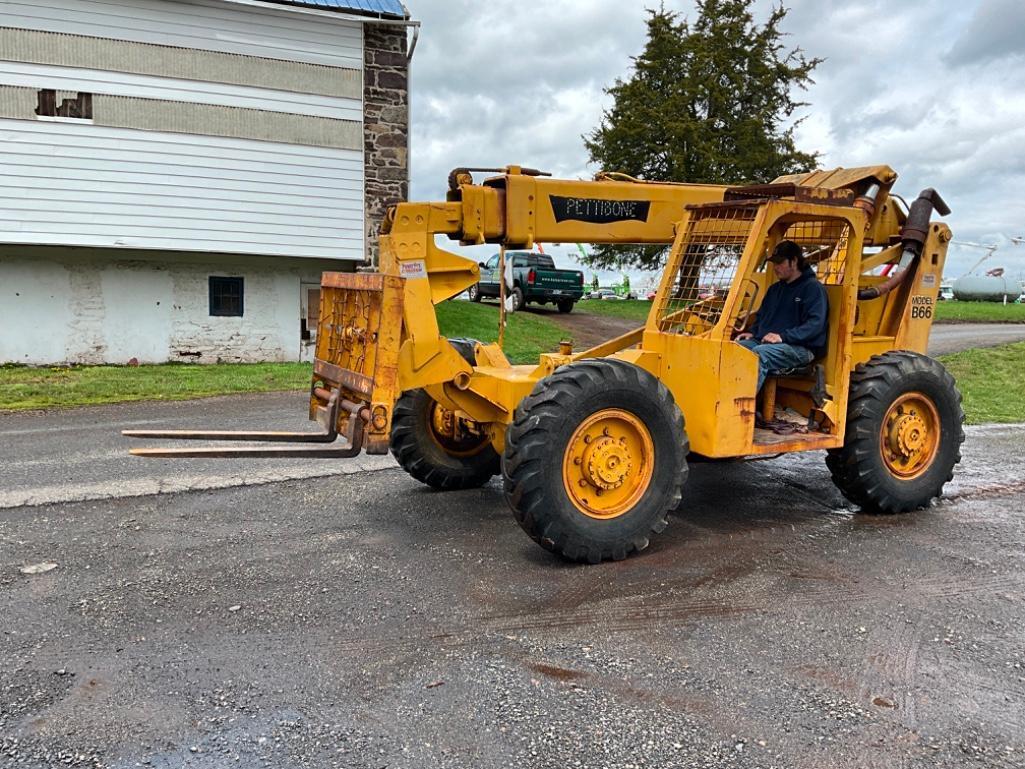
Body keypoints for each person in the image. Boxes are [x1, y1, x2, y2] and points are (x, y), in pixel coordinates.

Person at [736, 239, 828, 394]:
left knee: (760, 354)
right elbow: (762, 316)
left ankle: (739, 408)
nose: (775, 267)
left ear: (794, 261)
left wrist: (783, 337)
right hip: (767, 343)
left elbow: (815, 325)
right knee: (735, 349)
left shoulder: (812, 289)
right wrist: (753, 332)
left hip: (800, 348)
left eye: (780, 262)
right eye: (774, 263)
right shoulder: (775, 290)